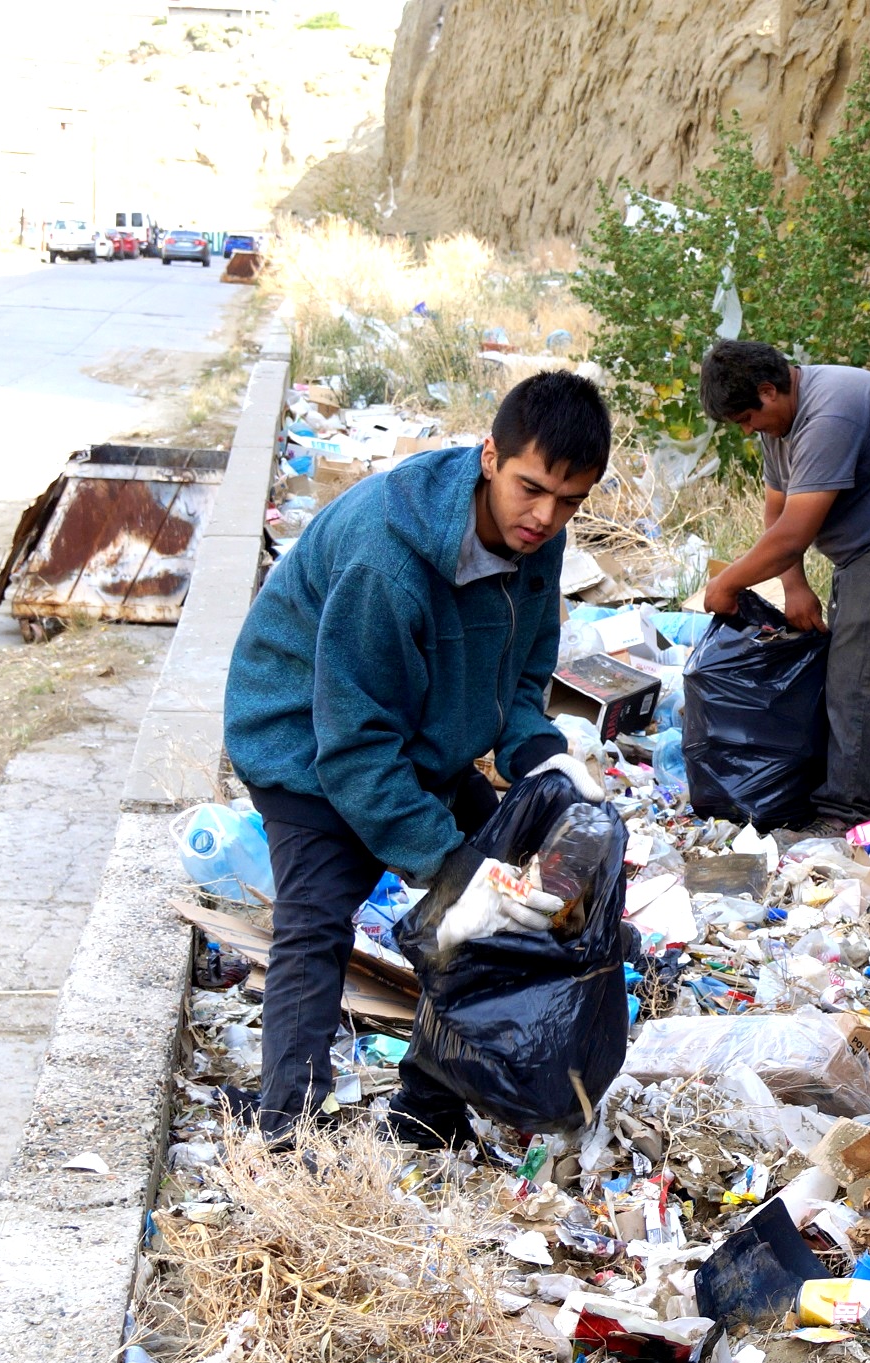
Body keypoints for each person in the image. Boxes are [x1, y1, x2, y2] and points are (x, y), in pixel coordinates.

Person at [224, 371, 615, 1147]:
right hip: (306, 742)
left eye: (570, 500)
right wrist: (446, 868)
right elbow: (355, 750)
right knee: (316, 928)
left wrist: (541, 753)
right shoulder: (386, 560)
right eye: (531, 489)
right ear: (488, 457)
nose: (545, 517)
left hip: (421, 734)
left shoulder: (541, 534)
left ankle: (427, 1112)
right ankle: (285, 1135)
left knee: (504, 903)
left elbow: (526, 666)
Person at [696, 341, 870, 832]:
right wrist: (794, 585)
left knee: (857, 676)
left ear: (769, 389)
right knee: (840, 669)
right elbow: (777, 511)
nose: (747, 429)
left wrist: (727, 583)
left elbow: (793, 533)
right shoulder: (779, 421)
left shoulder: (831, 413)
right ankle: (835, 794)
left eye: (746, 417)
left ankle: (847, 816)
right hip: (868, 550)